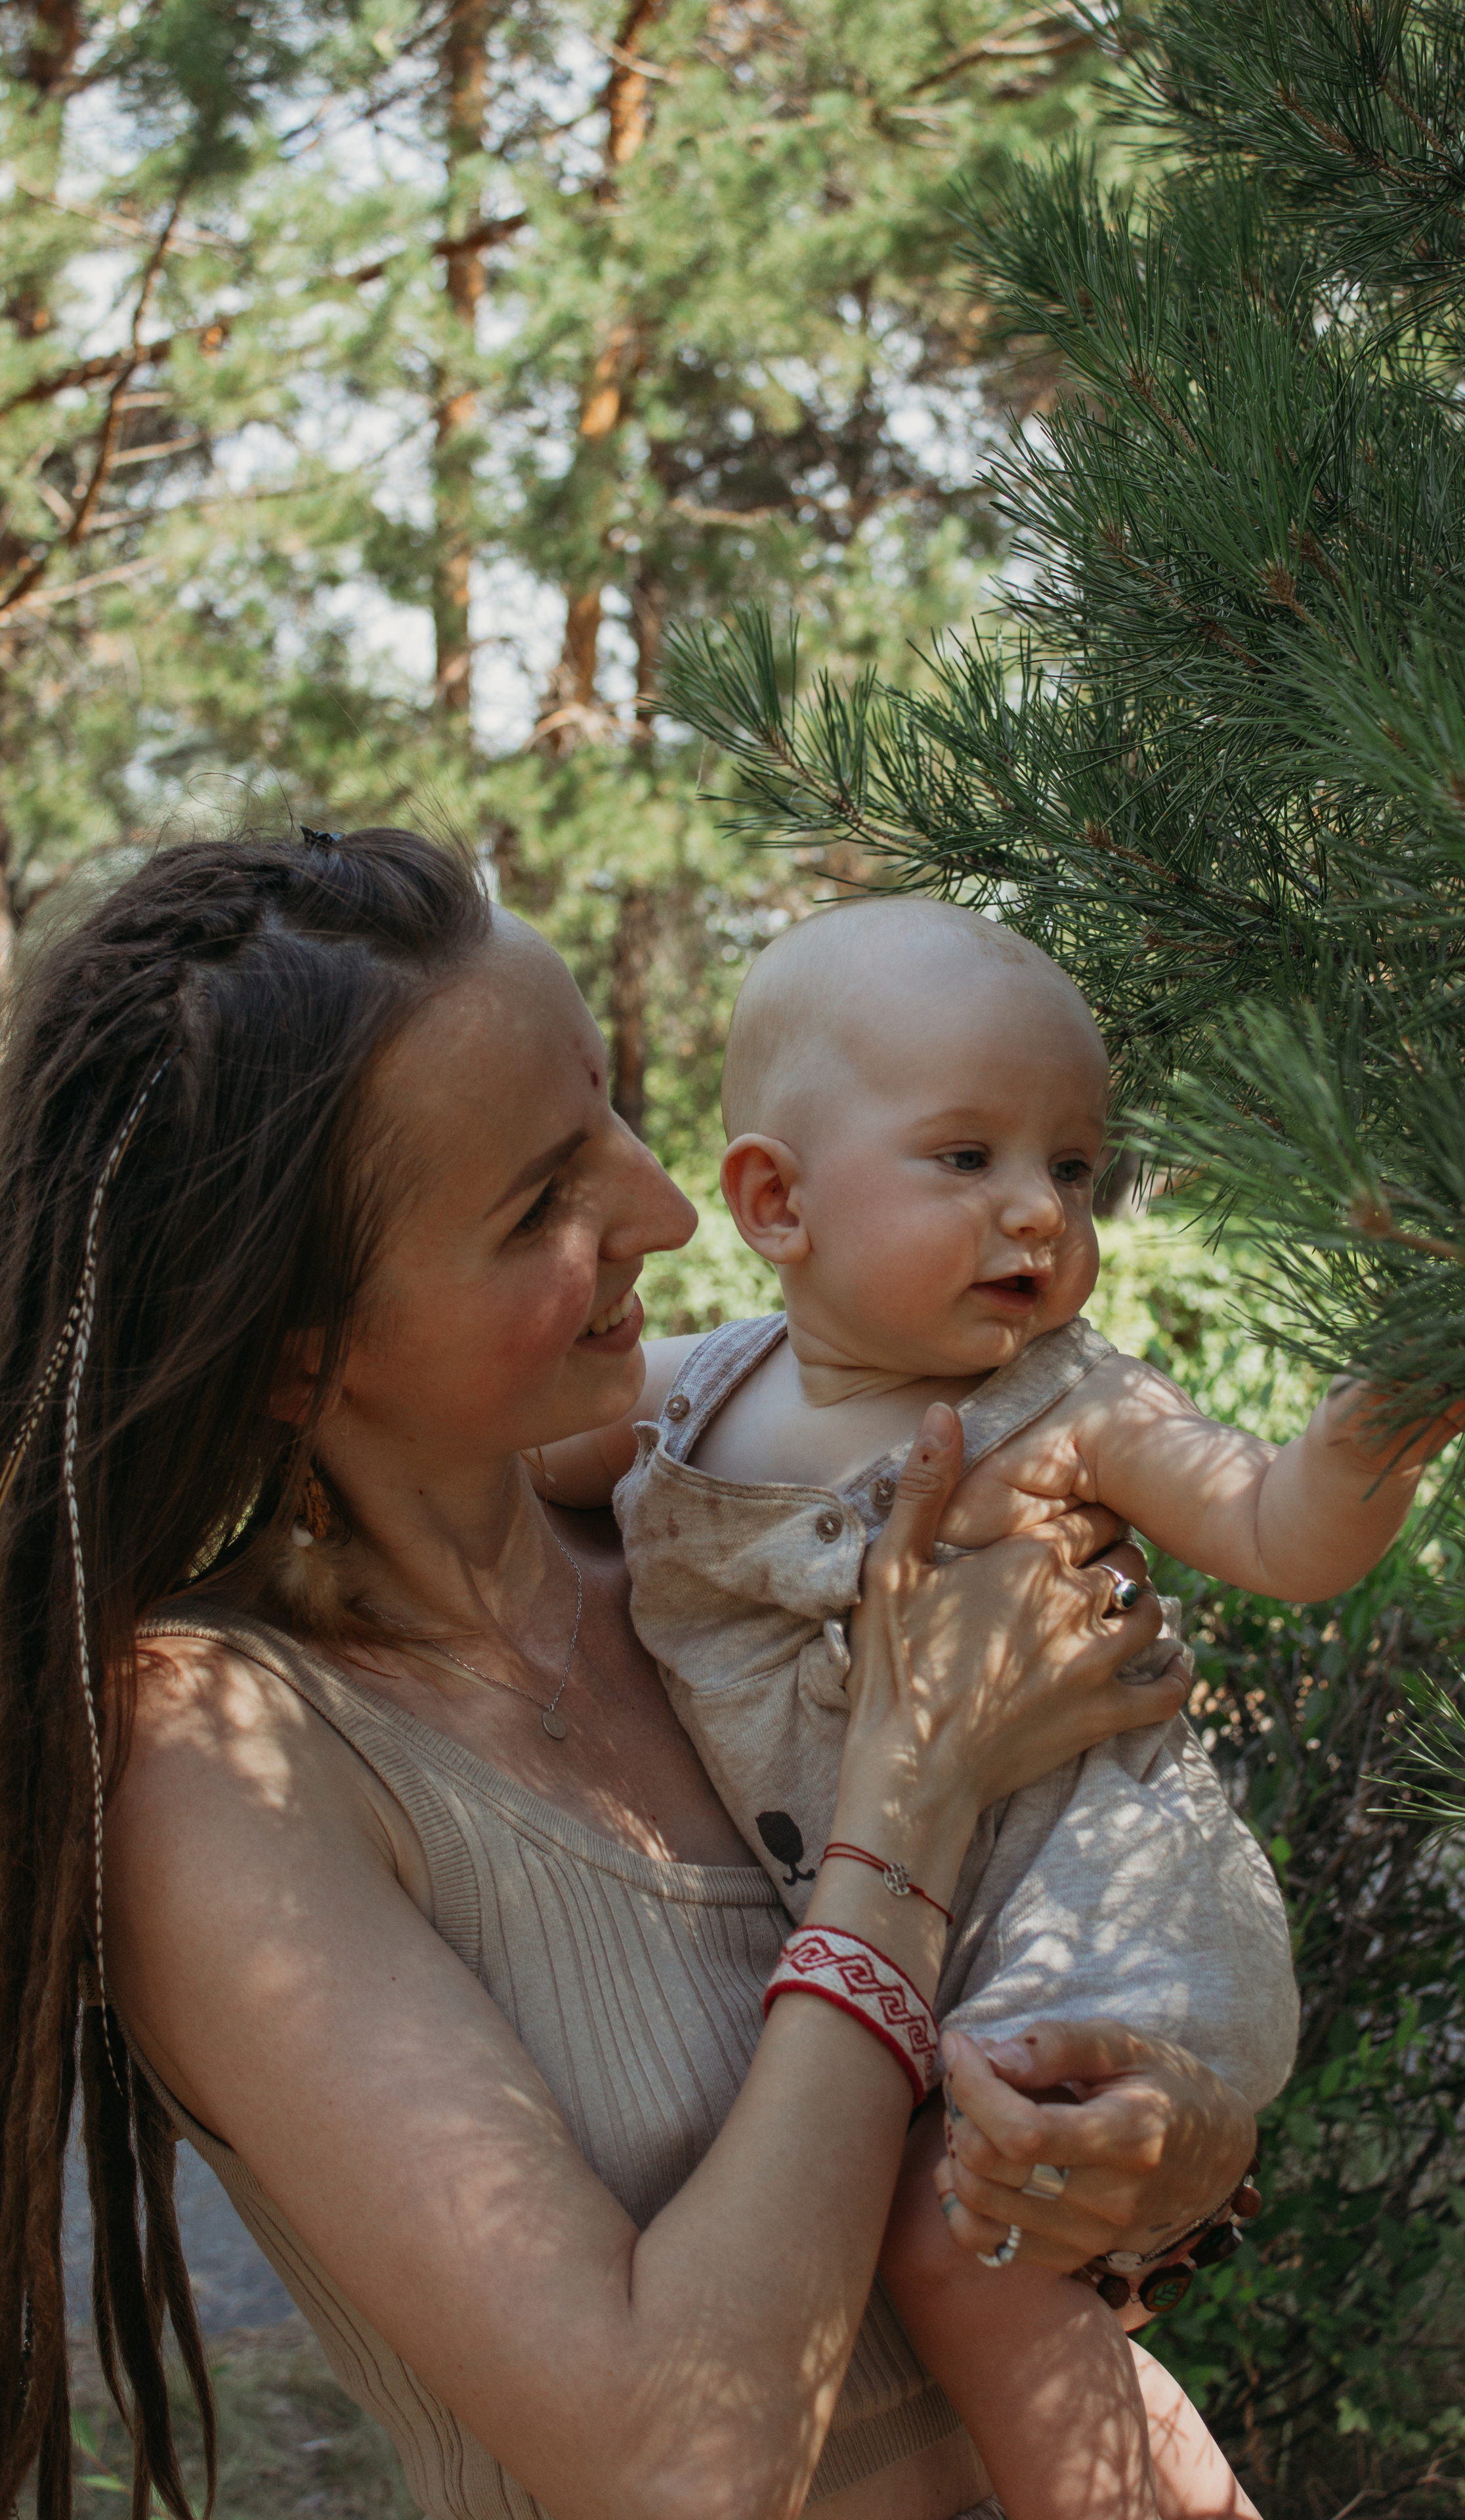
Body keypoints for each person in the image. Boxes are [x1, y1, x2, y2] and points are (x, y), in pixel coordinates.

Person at [0, 827, 1263, 2520]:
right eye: (543, 1202)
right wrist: (910, 1797)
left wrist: (1165, 2140)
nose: (666, 1211)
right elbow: (674, 2467)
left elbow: (1060, 2020)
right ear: (301, 1347)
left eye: (605, 1111)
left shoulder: (726, 1550)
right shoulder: (220, 1759)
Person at [540, 896, 1465, 2520]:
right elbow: (500, 1451)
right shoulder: (693, 1396)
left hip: (1107, 1915)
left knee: (956, 2241)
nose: (1038, 1212)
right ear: (775, 1200)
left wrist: (1368, 1429)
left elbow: (1278, 1532)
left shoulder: (1075, 1403)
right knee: (961, 2233)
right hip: (928, 1936)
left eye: (1072, 1169)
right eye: (968, 1157)